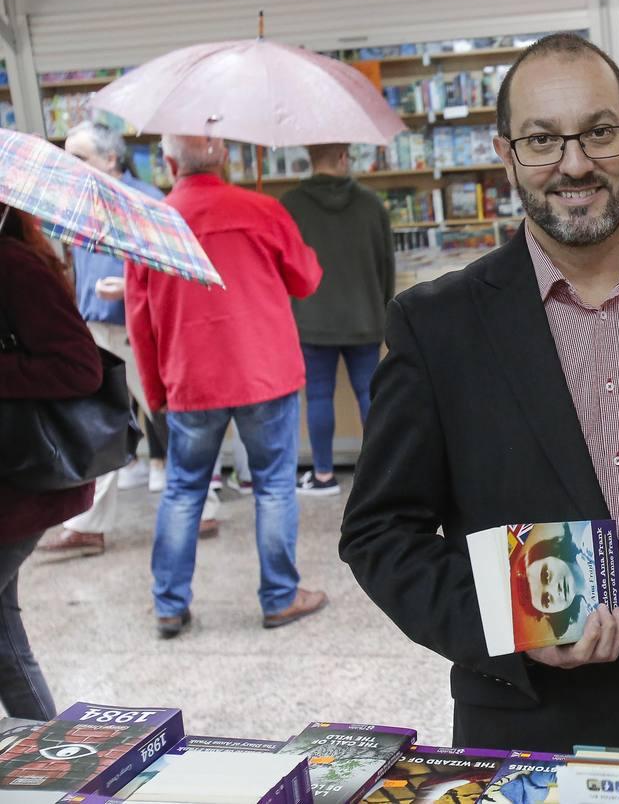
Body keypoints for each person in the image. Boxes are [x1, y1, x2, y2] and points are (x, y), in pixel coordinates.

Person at [340, 32, 619, 753]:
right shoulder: (436, 326)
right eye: (542, 140)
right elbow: (379, 534)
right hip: (531, 726)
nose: (574, 163)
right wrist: (512, 627)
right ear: (506, 155)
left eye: (600, 132)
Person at [125, 134, 328, 639]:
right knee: (275, 487)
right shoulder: (262, 208)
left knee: (183, 490)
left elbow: (139, 320)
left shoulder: (149, 224)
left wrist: (154, 393)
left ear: (170, 163)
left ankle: (169, 605)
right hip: (266, 372)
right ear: (227, 159)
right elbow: (305, 279)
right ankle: (280, 598)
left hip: (190, 376)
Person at [39, 122, 218, 558]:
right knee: (96, 424)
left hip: (139, 330)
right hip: (95, 329)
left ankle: (203, 507)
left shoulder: (146, 202)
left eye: (77, 157)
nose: (69, 165)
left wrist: (128, 284)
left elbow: (173, 266)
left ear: (111, 159)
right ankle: (87, 525)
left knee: (168, 419)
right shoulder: (78, 201)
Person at [0, 206, 102, 718]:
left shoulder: (13, 264)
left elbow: (80, 366)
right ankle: (46, 755)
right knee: (4, 636)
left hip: (20, 484)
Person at [280, 142, 394, 497]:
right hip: (365, 315)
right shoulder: (372, 204)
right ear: (343, 158)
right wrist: (384, 308)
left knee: (317, 396)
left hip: (311, 317)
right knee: (370, 394)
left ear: (309, 159)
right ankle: (385, 475)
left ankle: (324, 474)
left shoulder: (289, 206)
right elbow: (386, 265)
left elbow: (284, 266)